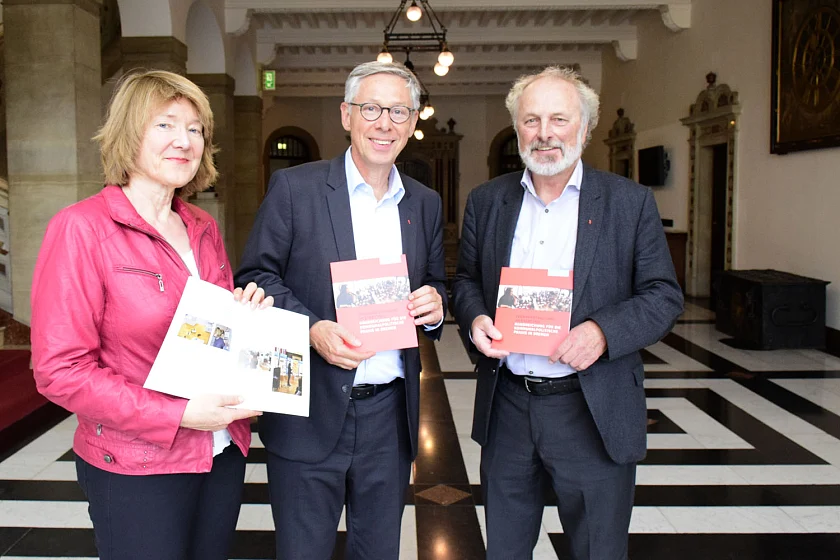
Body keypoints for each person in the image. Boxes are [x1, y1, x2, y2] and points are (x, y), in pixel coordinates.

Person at [30, 70, 273, 560]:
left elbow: (205, 330)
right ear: (128, 133)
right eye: (165, 125)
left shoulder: (201, 224)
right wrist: (180, 413)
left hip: (220, 449)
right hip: (136, 464)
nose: (183, 141)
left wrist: (243, 314)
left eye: (195, 128)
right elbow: (59, 371)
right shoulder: (81, 229)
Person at [451, 66, 684, 559]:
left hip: (591, 406)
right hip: (509, 407)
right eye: (531, 120)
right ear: (517, 128)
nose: (545, 133)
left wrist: (602, 331)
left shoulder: (629, 203)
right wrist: (474, 319)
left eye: (560, 118)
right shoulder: (487, 201)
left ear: (585, 127)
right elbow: (466, 280)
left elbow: (663, 294)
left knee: (597, 549)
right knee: (506, 550)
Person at [236, 60, 447, 559]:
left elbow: (435, 282)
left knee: (377, 551)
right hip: (308, 407)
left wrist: (435, 306)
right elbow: (254, 277)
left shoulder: (425, 202)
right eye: (372, 108)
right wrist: (312, 330)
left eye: (399, 111)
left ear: (414, 122)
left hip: (389, 416)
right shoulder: (296, 189)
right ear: (346, 115)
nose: (385, 122)